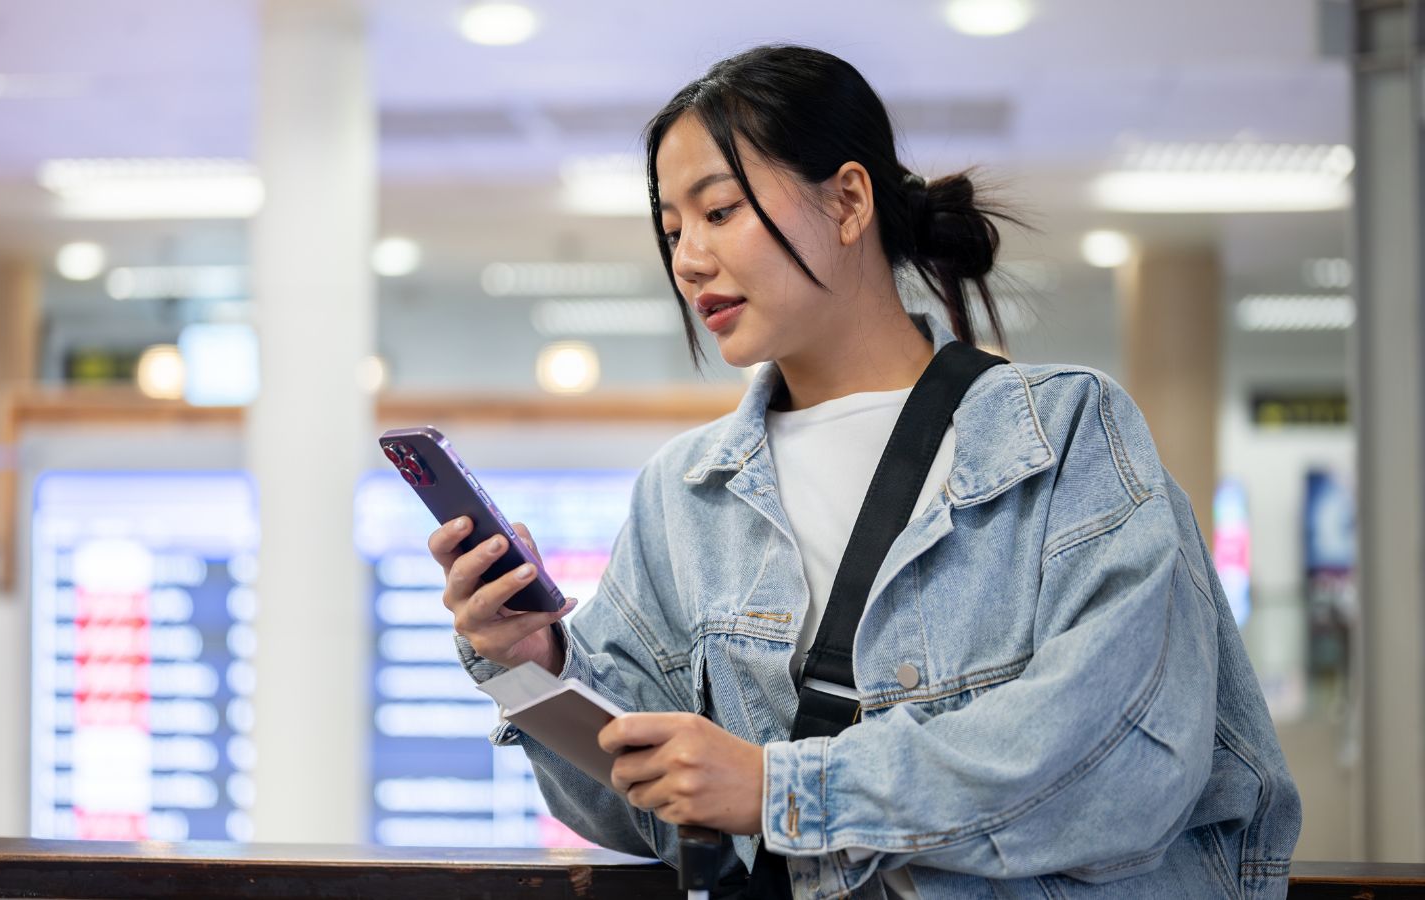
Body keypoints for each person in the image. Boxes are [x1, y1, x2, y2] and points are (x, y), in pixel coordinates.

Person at [430, 45, 1301, 899]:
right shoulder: (683, 492)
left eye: (721, 210)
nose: (689, 256)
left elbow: (1128, 760)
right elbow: (651, 817)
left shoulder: (1059, 432)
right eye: (671, 227)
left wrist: (783, 791)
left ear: (848, 201)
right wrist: (529, 660)